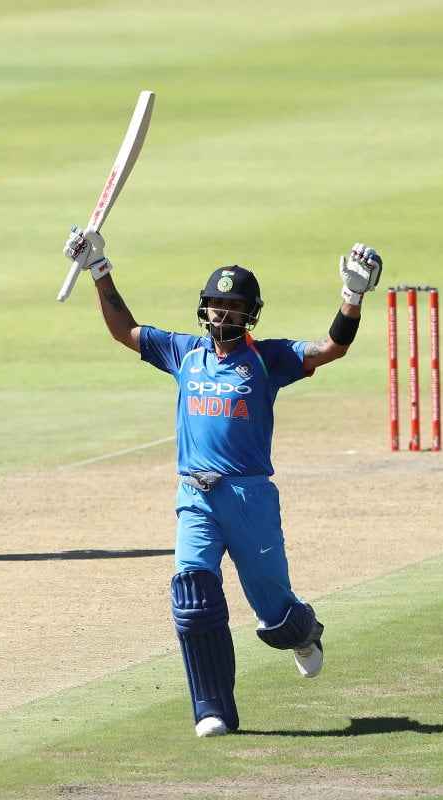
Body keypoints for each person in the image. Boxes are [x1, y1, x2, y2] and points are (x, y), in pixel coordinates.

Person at [62, 227, 382, 737]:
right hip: (196, 495)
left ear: (250, 313)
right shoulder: (184, 353)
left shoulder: (268, 359)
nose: (222, 314)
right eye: (215, 305)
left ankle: (305, 633)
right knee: (192, 595)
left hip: (250, 500)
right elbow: (127, 331)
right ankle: (212, 710)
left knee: (277, 620)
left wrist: (353, 296)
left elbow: (329, 349)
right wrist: (99, 269)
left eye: (233, 307)